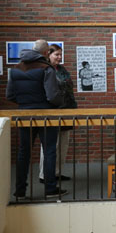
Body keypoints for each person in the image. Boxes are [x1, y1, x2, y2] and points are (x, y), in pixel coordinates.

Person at [7, 39, 67, 198]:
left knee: (23, 153)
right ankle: (50, 189)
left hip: (24, 116)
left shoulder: (15, 69)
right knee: (49, 152)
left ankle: (20, 191)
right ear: (46, 52)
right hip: (46, 116)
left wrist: (25, 103)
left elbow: (10, 95)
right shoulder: (46, 69)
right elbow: (52, 95)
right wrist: (61, 100)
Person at [39, 44, 78, 184]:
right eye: (56, 55)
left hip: (66, 111)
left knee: (63, 144)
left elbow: (69, 90)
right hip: (51, 112)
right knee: (50, 145)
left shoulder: (62, 69)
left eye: (61, 55)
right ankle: (44, 174)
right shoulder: (44, 69)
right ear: (48, 54)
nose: (59, 57)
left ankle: (56, 172)